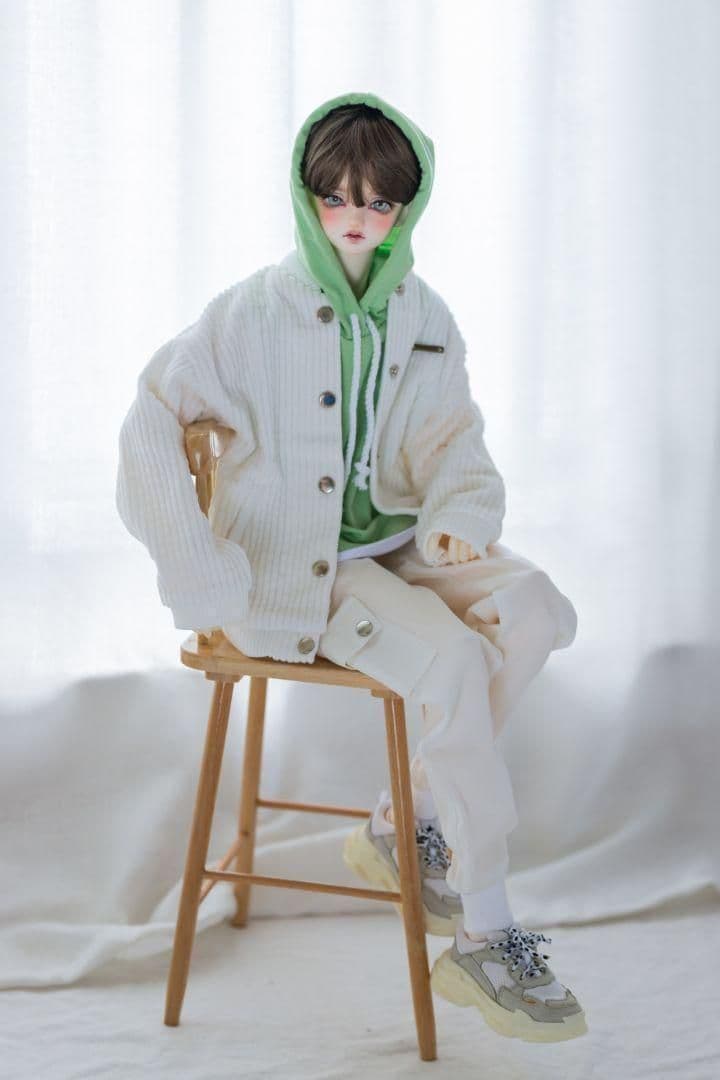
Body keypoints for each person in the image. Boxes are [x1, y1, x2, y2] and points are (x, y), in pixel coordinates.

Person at [116, 90, 587, 1042]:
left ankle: (404, 821)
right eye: (336, 198)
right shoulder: (251, 312)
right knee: (453, 662)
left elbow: (455, 439)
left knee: (537, 609)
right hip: (304, 569)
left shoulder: (423, 312)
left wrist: (459, 517)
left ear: (406, 206)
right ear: (309, 198)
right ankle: (486, 928)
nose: (357, 218)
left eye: (378, 202)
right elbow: (149, 420)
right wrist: (201, 570)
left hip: (402, 545)